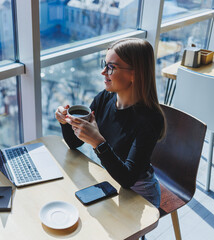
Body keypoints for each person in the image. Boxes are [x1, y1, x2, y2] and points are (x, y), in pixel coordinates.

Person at [55, 38, 165, 208]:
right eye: (104, 64)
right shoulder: (104, 98)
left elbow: (128, 179)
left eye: (111, 67)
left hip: (139, 194)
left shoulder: (150, 119)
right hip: (109, 178)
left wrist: (98, 143)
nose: (103, 72)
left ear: (134, 74)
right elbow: (75, 142)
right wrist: (65, 122)